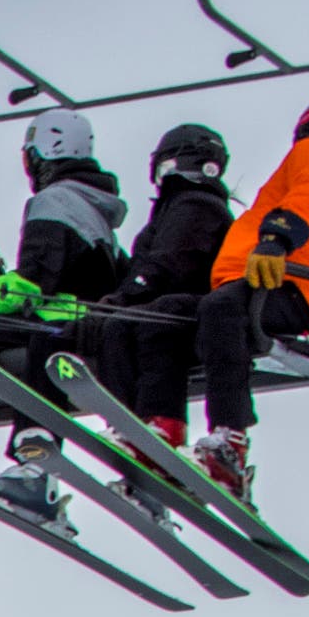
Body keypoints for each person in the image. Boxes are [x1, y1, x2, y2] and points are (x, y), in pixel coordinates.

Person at [172, 92, 309, 501]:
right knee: (171, 316)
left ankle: (229, 445)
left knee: (221, 310)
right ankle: (159, 429)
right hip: (266, 285)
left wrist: (276, 240)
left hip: (289, 288)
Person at [0, 108, 126, 513]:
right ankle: (32, 469)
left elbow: (32, 281)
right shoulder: (95, 205)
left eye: (29, 156)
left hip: (59, 320)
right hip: (82, 321)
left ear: (44, 152)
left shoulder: (55, 200)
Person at [74, 123, 238, 446]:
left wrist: (124, 297)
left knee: (141, 323)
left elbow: (170, 262)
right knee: (122, 325)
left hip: (189, 308)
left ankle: (159, 421)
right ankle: (131, 423)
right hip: (173, 304)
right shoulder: (180, 206)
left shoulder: (195, 204)